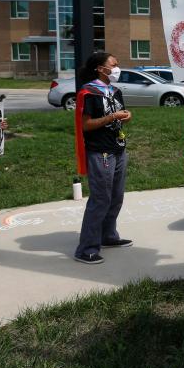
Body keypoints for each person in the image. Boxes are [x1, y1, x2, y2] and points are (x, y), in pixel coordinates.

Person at [73, 52, 133, 265]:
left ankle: (108, 235)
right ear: (100, 68)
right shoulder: (88, 92)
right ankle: (86, 247)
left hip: (118, 148)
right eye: (113, 64)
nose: (117, 68)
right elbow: (86, 125)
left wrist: (124, 116)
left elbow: (118, 115)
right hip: (100, 151)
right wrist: (112, 117)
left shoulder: (114, 91)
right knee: (101, 198)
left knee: (116, 196)